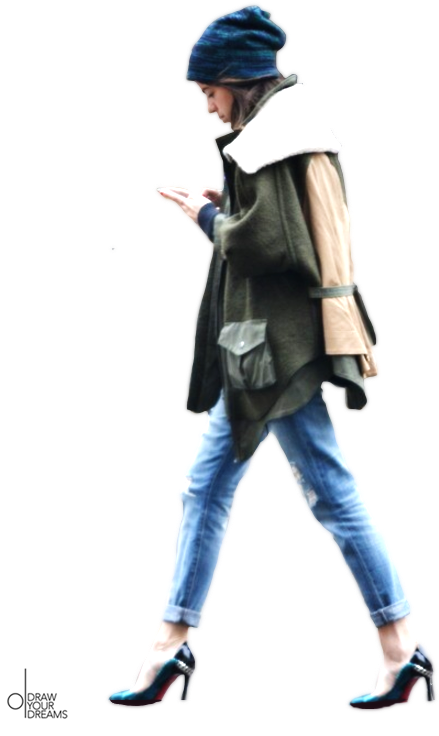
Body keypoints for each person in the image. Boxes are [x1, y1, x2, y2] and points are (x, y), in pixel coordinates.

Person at [105, 3, 437, 712]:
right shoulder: (287, 126)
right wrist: (228, 205)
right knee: (212, 487)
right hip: (265, 348)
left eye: (208, 92)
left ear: (237, 79)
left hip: (274, 353)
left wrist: (199, 213)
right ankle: (171, 645)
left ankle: (398, 644)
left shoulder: (268, 139)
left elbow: (267, 245)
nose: (206, 107)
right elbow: (285, 229)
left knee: (320, 491)